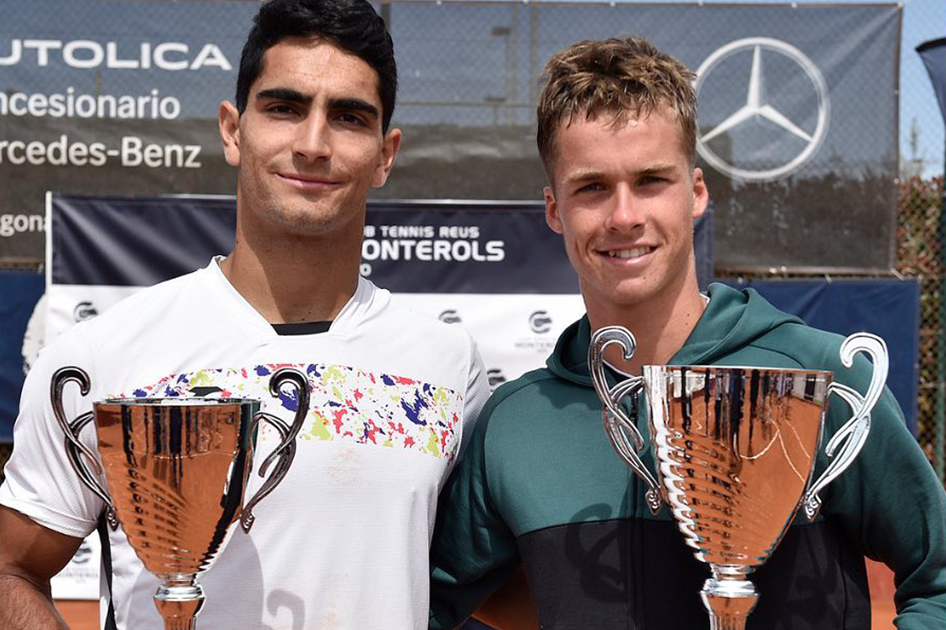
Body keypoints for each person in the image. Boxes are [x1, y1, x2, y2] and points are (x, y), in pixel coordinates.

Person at [429, 37, 946, 630]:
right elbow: (424, 598)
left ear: (695, 192)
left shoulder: (817, 377)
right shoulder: (514, 424)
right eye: (592, 187)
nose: (624, 216)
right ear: (554, 209)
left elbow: (937, 579)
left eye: (651, 180)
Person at [0, 1, 488, 629]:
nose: (312, 144)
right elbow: (13, 568)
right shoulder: (102, 356)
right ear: (233, 130)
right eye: (284, 108)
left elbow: (482, 581)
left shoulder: (446, 365)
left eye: (348, 117)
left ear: (385, 153)